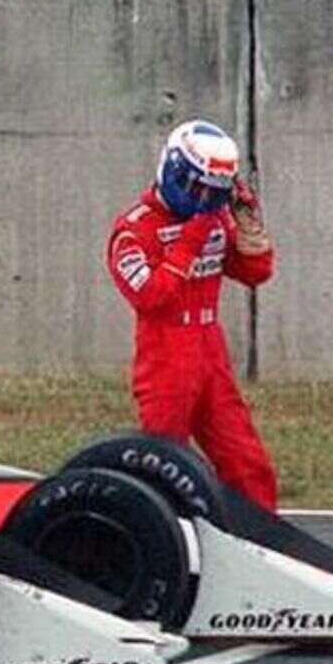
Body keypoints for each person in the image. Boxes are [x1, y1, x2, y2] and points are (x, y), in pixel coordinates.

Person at [107, 119, 278, 510]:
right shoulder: (134, 230)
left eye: (214, 193)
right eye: (194, 188)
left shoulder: (216, 216)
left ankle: (263, 536)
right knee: (164, 463)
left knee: (246, 460)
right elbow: (151, 297)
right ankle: (163, 534)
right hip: (165, 355)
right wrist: (190, 240)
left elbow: (254, 274)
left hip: (210, 351)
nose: (202, 199)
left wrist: (250, 233)